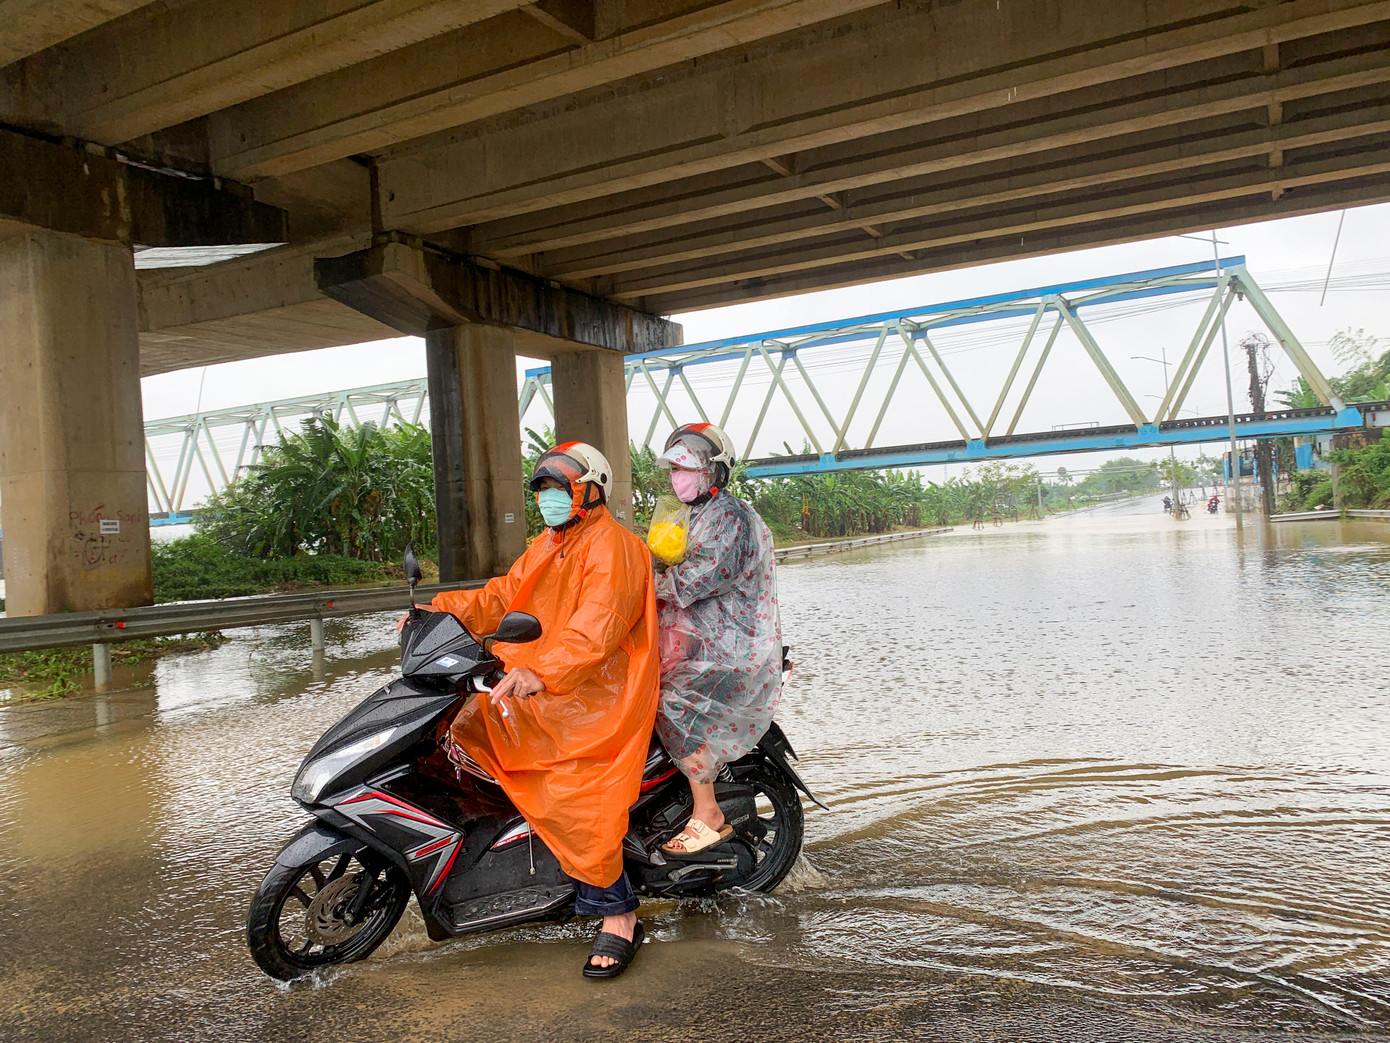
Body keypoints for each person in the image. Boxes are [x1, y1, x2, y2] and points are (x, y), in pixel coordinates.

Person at [404, 441, 659, 978]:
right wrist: (439, 612)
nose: (548, 499)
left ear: (590, 491)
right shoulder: (548, 544)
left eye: (558, 489)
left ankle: (618, 914)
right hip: (540, 685)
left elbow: (598, 627)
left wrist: (543, 672)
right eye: (541, 490)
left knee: (572, 794)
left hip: (595, 696)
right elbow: (502, 597)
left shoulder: (615, 547)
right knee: (459, 733)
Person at [651, 423, 783, 856]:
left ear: (714, 472)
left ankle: (707, 811)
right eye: (674, 469)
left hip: (726, 648)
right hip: (695, 639)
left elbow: (696, 578)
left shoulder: (729, 517)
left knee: (671, 703)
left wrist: (644, 582)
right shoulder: (689, 513)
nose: (679, 477)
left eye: (687, 469)